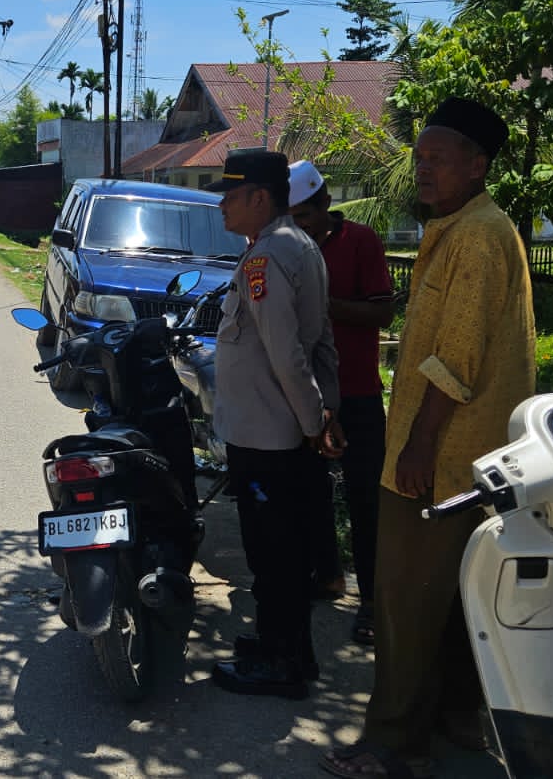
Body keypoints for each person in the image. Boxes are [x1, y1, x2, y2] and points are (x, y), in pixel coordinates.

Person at [324, 98, 535, 779]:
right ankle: (454, 721)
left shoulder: (476, 234)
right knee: (453, 602)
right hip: (469, 462)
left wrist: (416, 447)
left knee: (405, 604)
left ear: (477, 166)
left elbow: (458, 356)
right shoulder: (472, 225)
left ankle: (389, 743)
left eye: (437, 159)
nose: (423, 170)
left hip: (440, 461)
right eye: (419, 157)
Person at [206, 147, 343, 700]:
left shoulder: (267, 257)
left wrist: (315, 422)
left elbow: (288, 355)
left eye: (230, 196)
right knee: (282, 551)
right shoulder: (296, 245)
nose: (221, 206)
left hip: (268, 436)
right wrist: (322, 413)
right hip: (279, 430)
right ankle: (282, 648)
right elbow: (321, 345)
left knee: (273, 556)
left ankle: (281, 663)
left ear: (260, 198)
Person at [286, 160, 395, 647]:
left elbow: (381, 309)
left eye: (304, 216)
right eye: (291, 218)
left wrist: (321, 303)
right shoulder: (285, 247)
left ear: (326, 205)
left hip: (356, 393)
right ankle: (327, 575)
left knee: (365, 498)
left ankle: (373, 599)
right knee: (309, 492)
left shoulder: (361, 241)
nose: (299, 226)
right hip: (303, 392)